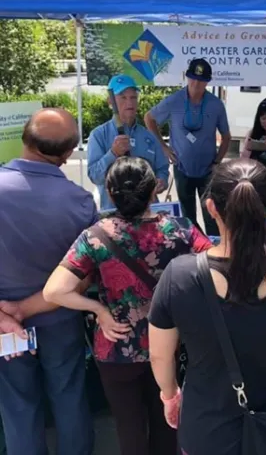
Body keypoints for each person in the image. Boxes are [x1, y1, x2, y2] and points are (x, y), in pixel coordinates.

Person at [148, 158, 266, 455]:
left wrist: (170, 395)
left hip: (205, 429)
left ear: (210, 208)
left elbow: (159, 355)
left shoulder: (180, 275)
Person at [44, 156, 211, 455]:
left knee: (128, 427)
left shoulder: (94, 237)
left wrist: (99, 310)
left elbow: (54, 291)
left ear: (110, 192)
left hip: (115, 347)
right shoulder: (180, 229)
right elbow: (217, 265)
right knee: (168, 423)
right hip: (170, 344)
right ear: (152, 192)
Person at [0, 108, 96, 455]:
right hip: (59, 319)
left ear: (24, 139)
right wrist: (24, 309)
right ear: (68, 154)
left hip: (6, 328)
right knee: (69, 397)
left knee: (18, 406)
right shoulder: (81, 202)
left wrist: (7, 316)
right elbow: (85, 277)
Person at [144, 59, 231, 236]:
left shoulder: (215, 104)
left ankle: (214, 251)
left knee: (212, 214)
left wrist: (217, 162)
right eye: (192, 78)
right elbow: (149, 118)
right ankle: (193, 251)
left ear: (207, 81)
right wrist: (164, 147)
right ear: (187, 77)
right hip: (182, 169)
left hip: (207, 170)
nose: (196, 83)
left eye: (201, 80)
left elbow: (227, 136)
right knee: (187, 217)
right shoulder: (174, 100)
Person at [88, 74, 170, 210]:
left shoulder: (148, 136)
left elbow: (162, 169)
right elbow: (95, 176)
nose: (129, 102)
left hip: (147, 214)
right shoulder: (98, 135)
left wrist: (162, 181)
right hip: (115, 214)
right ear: (110, 101)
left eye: (133, 97)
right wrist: (113, 153)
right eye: (123, 97)